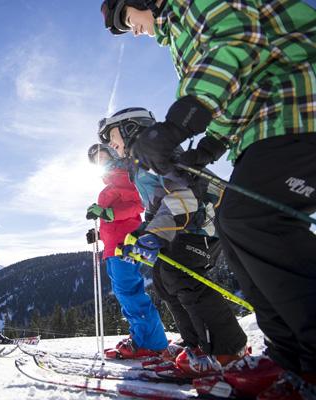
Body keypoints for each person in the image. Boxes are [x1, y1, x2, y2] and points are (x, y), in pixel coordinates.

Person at [100, 0, 316, 396]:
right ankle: (290, 360)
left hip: (301, 109)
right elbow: (245, 90)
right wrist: (209, 148)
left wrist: (177, 126)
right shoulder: (181, 35)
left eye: (129, 19)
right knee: (237, 229)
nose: (133, 30)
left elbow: (232, 48)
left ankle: (260, 352)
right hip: (267, 124)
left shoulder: (197, 6)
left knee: (255, 223)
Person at [97, 107, 248, 377]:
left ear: (131, 128)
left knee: (182, 278)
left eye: (112, 135)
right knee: (165, 280)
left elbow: (183, 198)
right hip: (182, 228)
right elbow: (158, 207)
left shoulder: (154, 152)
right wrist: (143, 233)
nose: (110, 143)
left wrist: (154, 235)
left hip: (202, 227)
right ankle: (196, 344)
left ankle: (228, 350)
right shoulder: (140, 162)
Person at [85, 143, 170, 359]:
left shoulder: (123, 175)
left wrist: (108, 213)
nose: (100, 162)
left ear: (113, 155)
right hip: (114, 246)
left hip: (126, 245)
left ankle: (150, 343)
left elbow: (138, 204)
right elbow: (112, 221)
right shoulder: (111, 182)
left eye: (103, 157)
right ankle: (142, 337)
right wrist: (99, 234)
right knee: (126, 293)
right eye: (96, 162)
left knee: (130, 293)